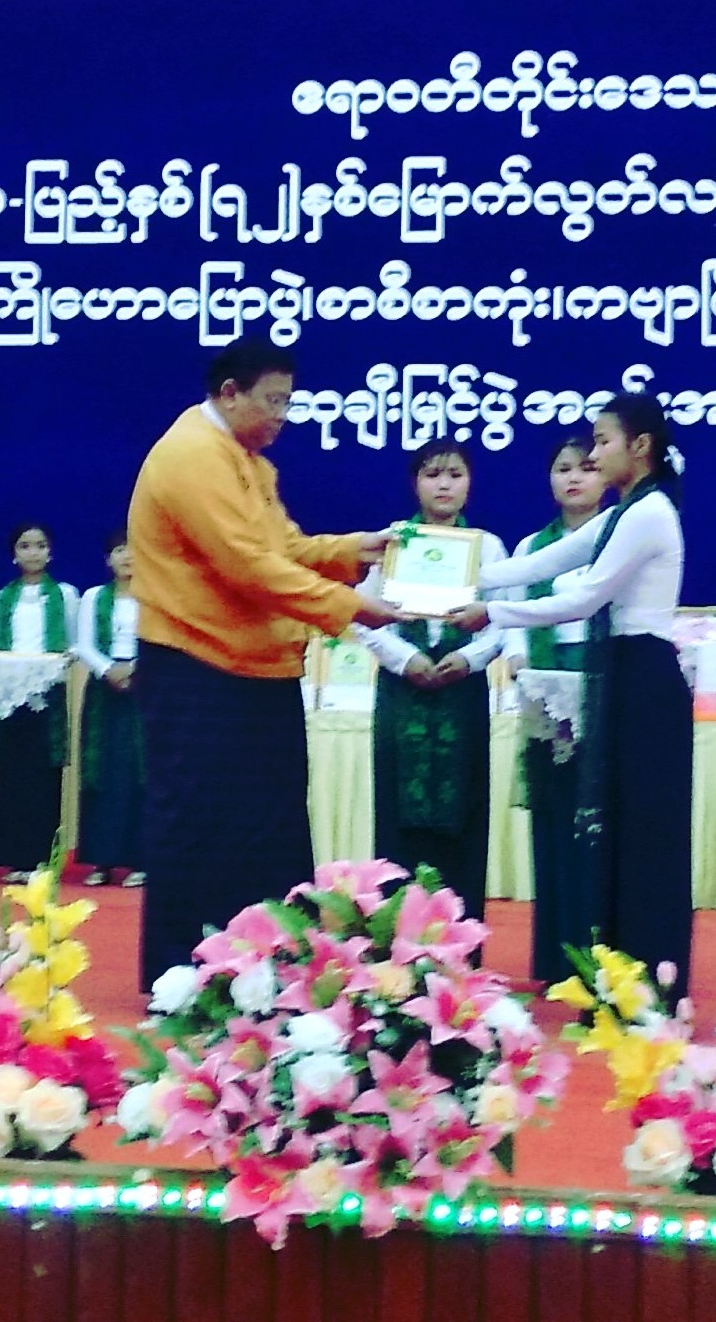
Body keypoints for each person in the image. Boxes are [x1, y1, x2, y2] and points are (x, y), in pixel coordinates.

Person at [128, 342, 400, 990]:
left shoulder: (247, 460)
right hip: (196, 664)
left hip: (256, 667)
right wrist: (349, 606)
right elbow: (247, 566)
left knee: (268, 822)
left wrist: (353, 550)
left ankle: (266, 967)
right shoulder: (192, 454)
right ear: (230, 392)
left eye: (289, 402)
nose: (284, 415)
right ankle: (182, 973)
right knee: (197, 819)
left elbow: (284, 548)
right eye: (273, 401)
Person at [454, 394, 694, 993]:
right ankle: (617, 978)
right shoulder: (624, 512)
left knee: (643, 832)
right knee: (613, 828)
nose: (594, 454)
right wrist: (446, 571)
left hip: (643, 676)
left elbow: (584, 597)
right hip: (619, 672)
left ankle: (649, 981)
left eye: (604, 442)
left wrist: (491, 612)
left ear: (641, 446)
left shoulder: (648, 512)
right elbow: (542, 563)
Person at [352, 440, 508, 920]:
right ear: (414, 483)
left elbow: (504, 617)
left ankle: (461, 944)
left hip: (462, 691)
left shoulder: (488, 546)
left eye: (455, 475)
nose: (444, 485)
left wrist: (469, 658)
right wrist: (405, 659)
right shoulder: (394, 540)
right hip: (404, 691)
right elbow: (363, 615)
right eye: (432, 474)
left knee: (465, 816)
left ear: (470, 483)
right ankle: (395, 943)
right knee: (398, 817)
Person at [500, 438, 608, 983]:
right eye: (563, 468)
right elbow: (513, 613)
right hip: (546, 691)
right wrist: (518, 659)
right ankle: (555, 952)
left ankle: (601, 951)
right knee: (555, 817)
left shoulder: (618, 536)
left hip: (603, 684)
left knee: (599, 820)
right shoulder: (531, 546)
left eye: (587, 467)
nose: (575, 478)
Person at [0, 524, 80, 882]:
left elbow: (73, 643)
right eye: (25, 546)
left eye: (40, 546)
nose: (33, 552)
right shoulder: (0, 598)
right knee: (9, 773)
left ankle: (41, 859)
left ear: (50, 552)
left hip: (45, 691)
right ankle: (12, 857)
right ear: (14, 554)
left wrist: (53, 663)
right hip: (8, 694)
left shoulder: (65, 595)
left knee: (42, 775)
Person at [75, 529, 145, 888]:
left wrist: (135, 669)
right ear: (108, 559)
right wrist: (108, 670)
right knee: (102, 770)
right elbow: (83, 645)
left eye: (133, 549)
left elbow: (161, 641)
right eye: (119, 550)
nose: (127, 556)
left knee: (140, 771)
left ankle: (140, 861)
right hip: (104, 689)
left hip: (145, 687)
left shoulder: (156, 596)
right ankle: (101, 861)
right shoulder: (93, 597)